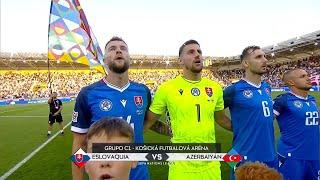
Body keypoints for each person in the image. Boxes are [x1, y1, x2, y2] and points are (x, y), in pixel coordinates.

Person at [144, 39, 232, 180]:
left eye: (199, 51)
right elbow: (148, 122)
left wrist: (247, 127)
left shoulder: (215, 88)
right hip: (181, 166)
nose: (197, 55)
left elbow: (221, 119)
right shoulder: (167, 88)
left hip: (211, 165)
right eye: (191, 52)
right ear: (180, 61)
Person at [71, 37, 150, 180]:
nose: (118, 50)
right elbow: (80, 144)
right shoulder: (88, 93)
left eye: (123, 48)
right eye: (112, 49)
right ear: (105, 60)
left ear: (129, 58)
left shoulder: (143, 91)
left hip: (140, 175)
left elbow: (148, 121)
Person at [223, 46, 277, 177]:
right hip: (243, 154)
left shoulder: (266, 87)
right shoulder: (234, 90)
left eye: (265, 56)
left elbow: (267, 114)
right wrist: (236, 127)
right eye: (258, 57)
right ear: (245, 63)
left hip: (270, 153)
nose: (265, 60)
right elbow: (216, 113)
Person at [273, 68, 320, 180]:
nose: (308, 78)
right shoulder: (282, 101)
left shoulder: (312, 100)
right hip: (292, 158)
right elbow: (263, 123)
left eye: (307, 75)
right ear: (291, 82)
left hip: (315, 156)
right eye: (302, 76)